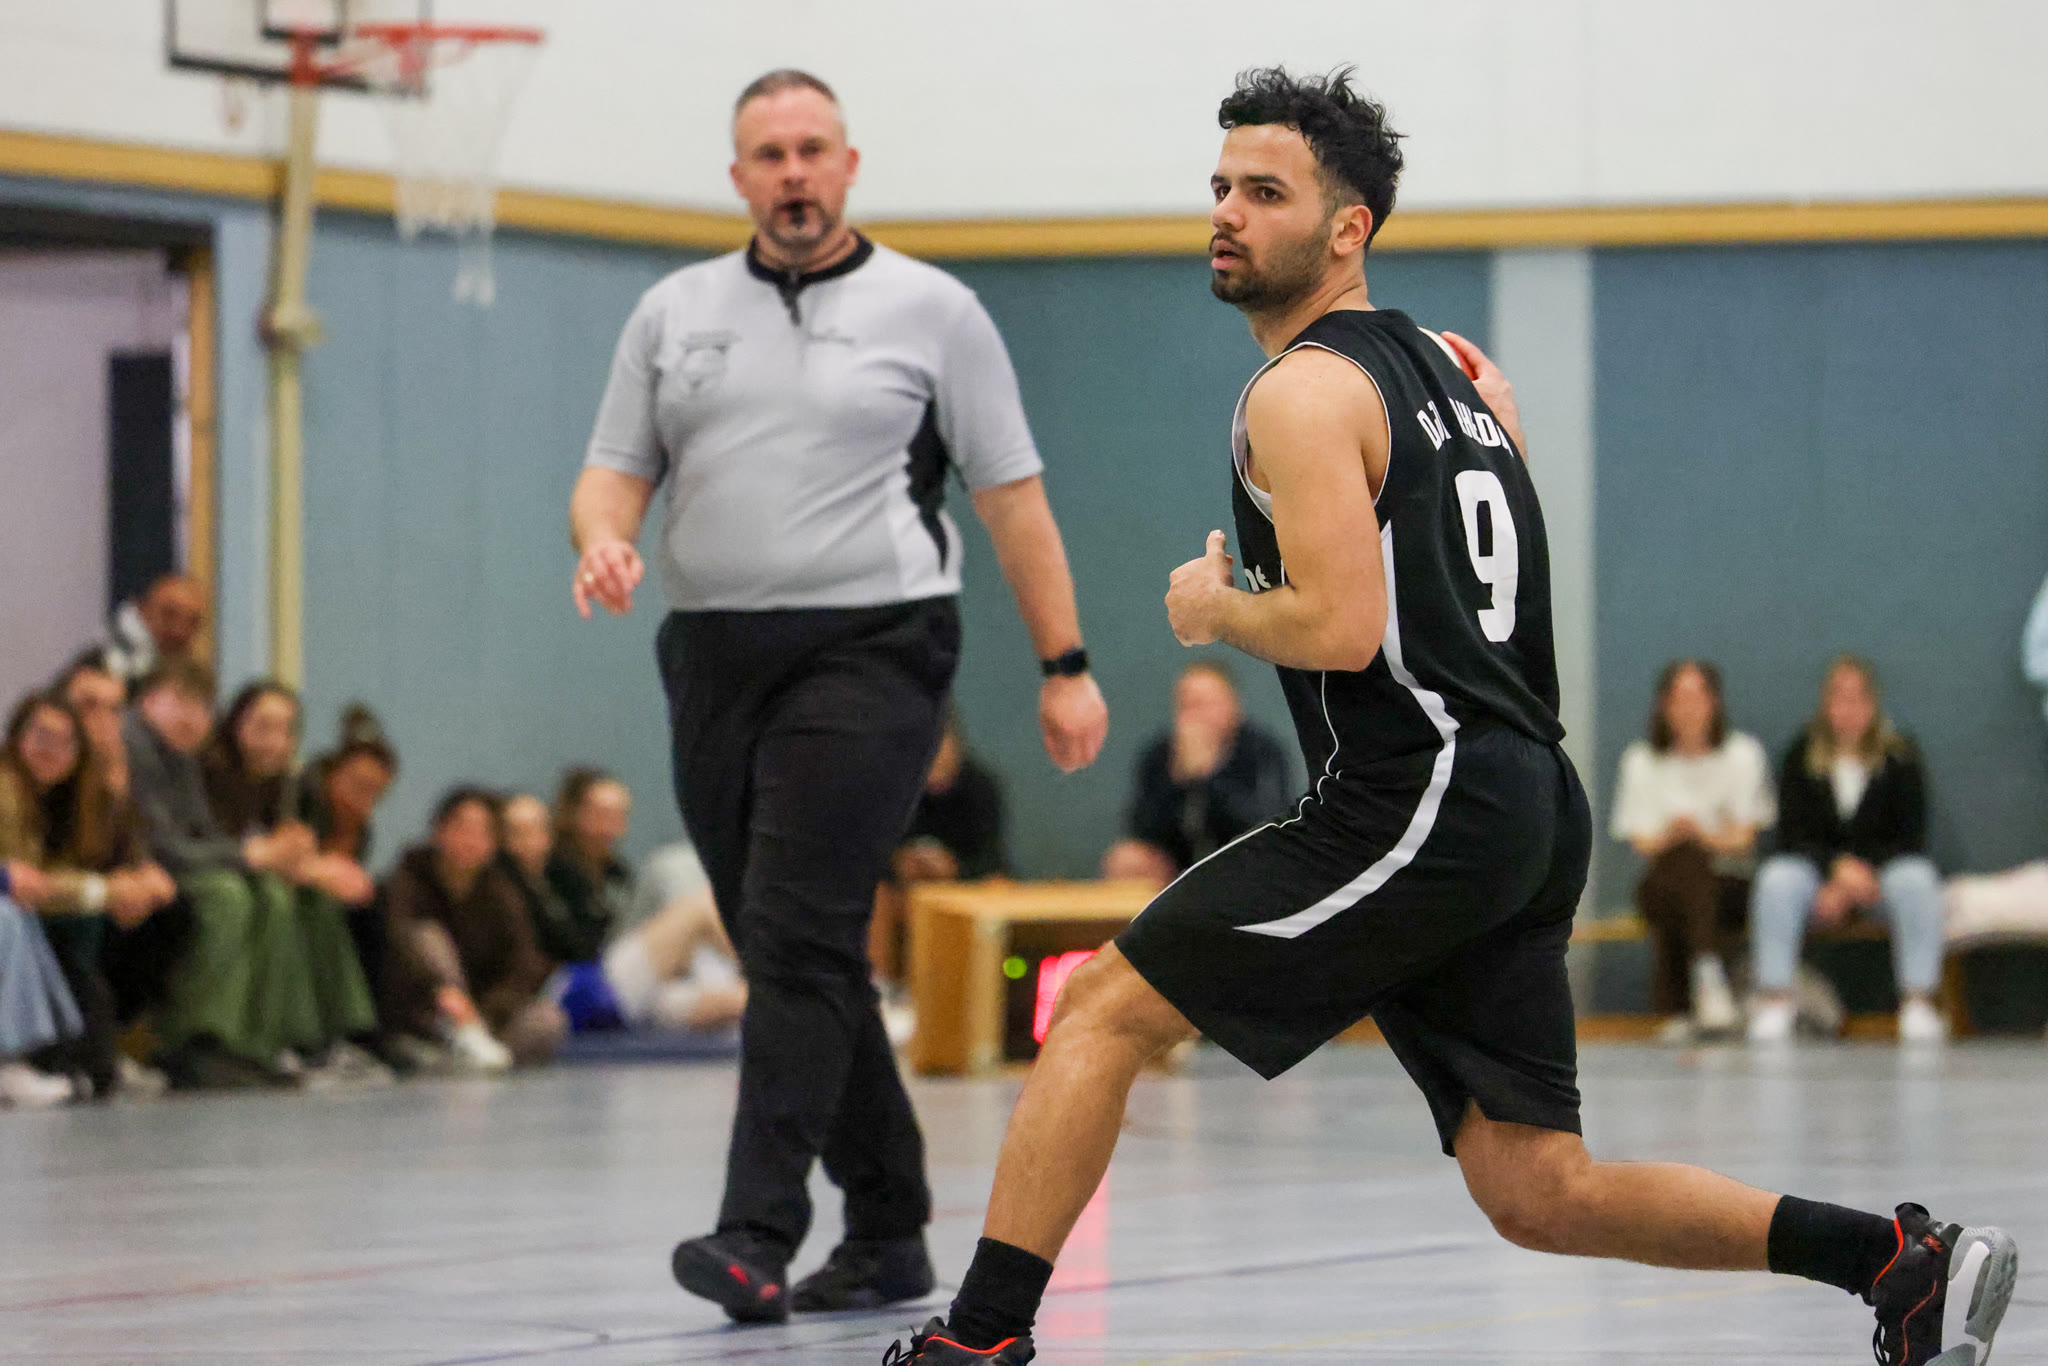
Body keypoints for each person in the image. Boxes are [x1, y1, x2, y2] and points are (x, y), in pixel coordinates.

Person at [884, 69, 2015, 1366]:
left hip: (1419, 795)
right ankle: (1895, 1261)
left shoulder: (1300, 391)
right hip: (1521, 797)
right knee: (1537, 1187)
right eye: (1219, 187)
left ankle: (978, 1342)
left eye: (1265, 192)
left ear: (1348, 228)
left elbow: (1339, 626)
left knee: (1101, 1009)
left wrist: (1214, 609)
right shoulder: (1459, 374)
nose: (1227, 213)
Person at [570, 68, 1109, 1322]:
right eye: (769, 155)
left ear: (848, 165)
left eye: (812, 149)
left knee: (802, 928)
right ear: (739, 178)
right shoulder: (671, 312)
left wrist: (1065, 665)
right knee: (781, 940)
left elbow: (1010, 497)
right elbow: (611, 473)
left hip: (873, 645)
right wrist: (601, 540)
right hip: (713, 652)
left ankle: (755, 1231)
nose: (793, 173)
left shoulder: (933, 310)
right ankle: (888, 1228)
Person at [125, 659, 334, 1088]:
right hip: (144, 870)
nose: (193, 717)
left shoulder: (181, 757)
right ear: (148, 700)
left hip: (176, 866)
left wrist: (266, 856)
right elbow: (164, 844)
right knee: (227, 895)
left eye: (202, 706)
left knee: (271, 893)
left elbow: (204, 831)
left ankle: (255, 1042)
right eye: (181, 702)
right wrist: (251, 855)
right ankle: (196, 1038)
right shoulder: (136, 747)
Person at [1747, 656, 1946, 1046]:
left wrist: (1864, 873)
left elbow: (1911, 837)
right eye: (1839, 698)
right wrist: (1835, 871)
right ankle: (1776, 999)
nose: (1848, 708)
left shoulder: (1901, 756)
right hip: (1818, 880)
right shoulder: (1801, 754)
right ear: (1825, 703)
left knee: (1918, 880)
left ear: (1872, 704)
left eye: (1857, 699)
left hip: (1879, 880)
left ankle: (1918, 1001)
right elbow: (1792, 835)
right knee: (1776, 879)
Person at [201, 682, 385, 1079]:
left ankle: (333, 1035)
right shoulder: (206, 774)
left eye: (286, 731)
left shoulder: (285, 786)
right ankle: (273, 1037)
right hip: (217, 877)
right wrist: (291, 861)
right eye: (263, 727)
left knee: (318, 899)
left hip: (259, 875)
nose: (275, 741)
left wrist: (311, 864)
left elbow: (287, 849)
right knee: (273, 897)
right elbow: (223, 846)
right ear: (235, 725)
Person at [0, 690, 176, 1096]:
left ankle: (84, 1056)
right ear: (16, 737)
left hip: (53, 907)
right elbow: (26, 880)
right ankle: (17, 1057)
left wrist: (128, 884)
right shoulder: (8, 790)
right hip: (22, 906)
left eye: (66, 742)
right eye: (42, 737)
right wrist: (104, 891)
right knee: (17, 917)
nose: (52, 751)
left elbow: (85, 859)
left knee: (143, 919)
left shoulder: (66, 793)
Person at [1609, 660, 1775, 1039]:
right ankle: (1707, 978)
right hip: (1662, 883)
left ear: (1714, 703)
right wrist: (1677, 833)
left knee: (1693, 869)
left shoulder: (1742, 754)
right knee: (1679, 872)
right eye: (1679, 698)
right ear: (1663, 705)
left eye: (1698, 697)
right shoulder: (1641, 761)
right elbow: (1642, 843)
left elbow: (1744, 839)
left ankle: (1683, 1003)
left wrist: (1697, 833)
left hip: (1729, 883)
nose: (1689, 709)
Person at [379, 788, 564, 1070]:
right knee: (429, 938)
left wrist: (484, 1012)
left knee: (547, 1020)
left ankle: (476, 1050)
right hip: (424, 1014)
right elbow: (401, 943)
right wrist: (448, 998)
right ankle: (461, 1045)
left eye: (483, 832)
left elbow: (523, 964)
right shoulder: (407, 882)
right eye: (462, 829)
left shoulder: (502, 892)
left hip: (486, 1017)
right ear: (439, 831)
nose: (471, 841)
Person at [1099, 660, 1292, 886]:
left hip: (1240, 859)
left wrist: (1208, 778)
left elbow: (1267, 824)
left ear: (1233, 706)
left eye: (1204, 704)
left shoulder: (1261, 750)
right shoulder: (1160, 753)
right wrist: (1179, 781)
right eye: (1186, 705)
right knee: (1127, 859)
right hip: (1176, 866)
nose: (1195, 716)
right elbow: (1141, 830)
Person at [871, 707, 1009, 991]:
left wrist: (954, 869)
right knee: (875, 895)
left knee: (999, 887)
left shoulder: (979, 787)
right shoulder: (892, 788)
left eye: (943, 744)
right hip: (905, 892)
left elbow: (992, 857)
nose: (937, 757)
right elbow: (870, 853)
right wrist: (901, 864)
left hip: (962, 890)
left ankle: (988, 987)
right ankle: (880, 987)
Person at [537, 768, 634, 967]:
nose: (612, 827)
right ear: (573, 813)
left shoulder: (617, 874)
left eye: (619, 815)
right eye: (602, 814)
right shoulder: (552, 872)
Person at [103, 573, 205, 692]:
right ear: (143, 610)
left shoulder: (195, 683)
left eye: (192, 622)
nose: (179, 631)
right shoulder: (103, 665)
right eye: (169, 615)